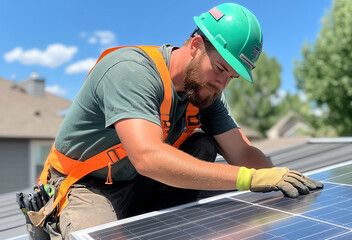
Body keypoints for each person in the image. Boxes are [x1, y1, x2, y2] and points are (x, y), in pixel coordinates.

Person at [26, 3, 323, 239]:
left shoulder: (205, 94)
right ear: (195, 46)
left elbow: (242, 153)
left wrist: (278, 176)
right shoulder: (131, 71)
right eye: (220, 68)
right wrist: (250, 179)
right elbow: (148, 157)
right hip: (86, 185)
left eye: (231, 77)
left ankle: (154, 224)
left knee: (204, 145)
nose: (222, 83)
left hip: (135, 182)